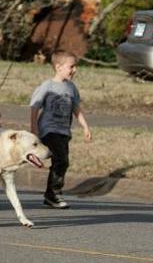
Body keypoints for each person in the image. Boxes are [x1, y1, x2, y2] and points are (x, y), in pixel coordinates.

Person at [30, 50, 92, 210]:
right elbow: (35, 107)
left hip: (64, 131)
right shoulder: (47, 86)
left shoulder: (71, 87)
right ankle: (53, 194)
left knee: (60, 162)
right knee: (61, 160)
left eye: (75, 66)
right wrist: (34, 128)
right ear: (58, 67)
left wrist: (85, 126)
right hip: (49, 130)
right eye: (71, 66)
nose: (75, 70)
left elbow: (76, 108)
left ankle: (50, 195)